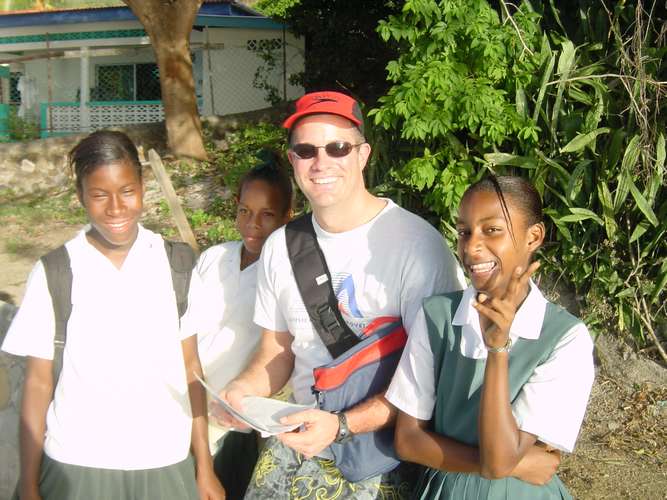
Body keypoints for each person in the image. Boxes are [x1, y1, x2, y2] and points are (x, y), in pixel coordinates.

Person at [213, 91, 466, 499]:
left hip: (379, 455)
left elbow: (430, 380)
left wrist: (343, 424)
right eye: (306, 150)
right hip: (295, 441)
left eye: (337, 147)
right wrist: (243, 390)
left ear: (363, 155)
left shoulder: (417, 247)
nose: (321, 162)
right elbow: (277, 352)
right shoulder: (281, 246)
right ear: (293, 160)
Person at [2, 130, 225, 500]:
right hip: (77, 465)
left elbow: (191, 369)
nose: (116, 208)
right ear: (81, 197)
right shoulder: (57, 271)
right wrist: (28, 482)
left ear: (142, 187)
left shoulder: (176, 264)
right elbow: (38, 383)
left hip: (164, 460)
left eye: (126, 191)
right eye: (99, 195)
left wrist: (204, 466)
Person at [386, 175, 595, 499]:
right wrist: (519, 464)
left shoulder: (565, 338)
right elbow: (408, 439)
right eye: (464, 232)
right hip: (448, 490)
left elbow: (499, 460)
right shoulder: (437, 316)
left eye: (492, 230)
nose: (471, 247)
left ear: (533, 236)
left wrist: (498, 349)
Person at [181, 152, 292, 499]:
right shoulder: (214, 258)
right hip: (183, 408)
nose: (253, 224)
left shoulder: (286, 274)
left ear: (288, 216)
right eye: (245, 211)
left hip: (232, 426)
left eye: (266, 215)